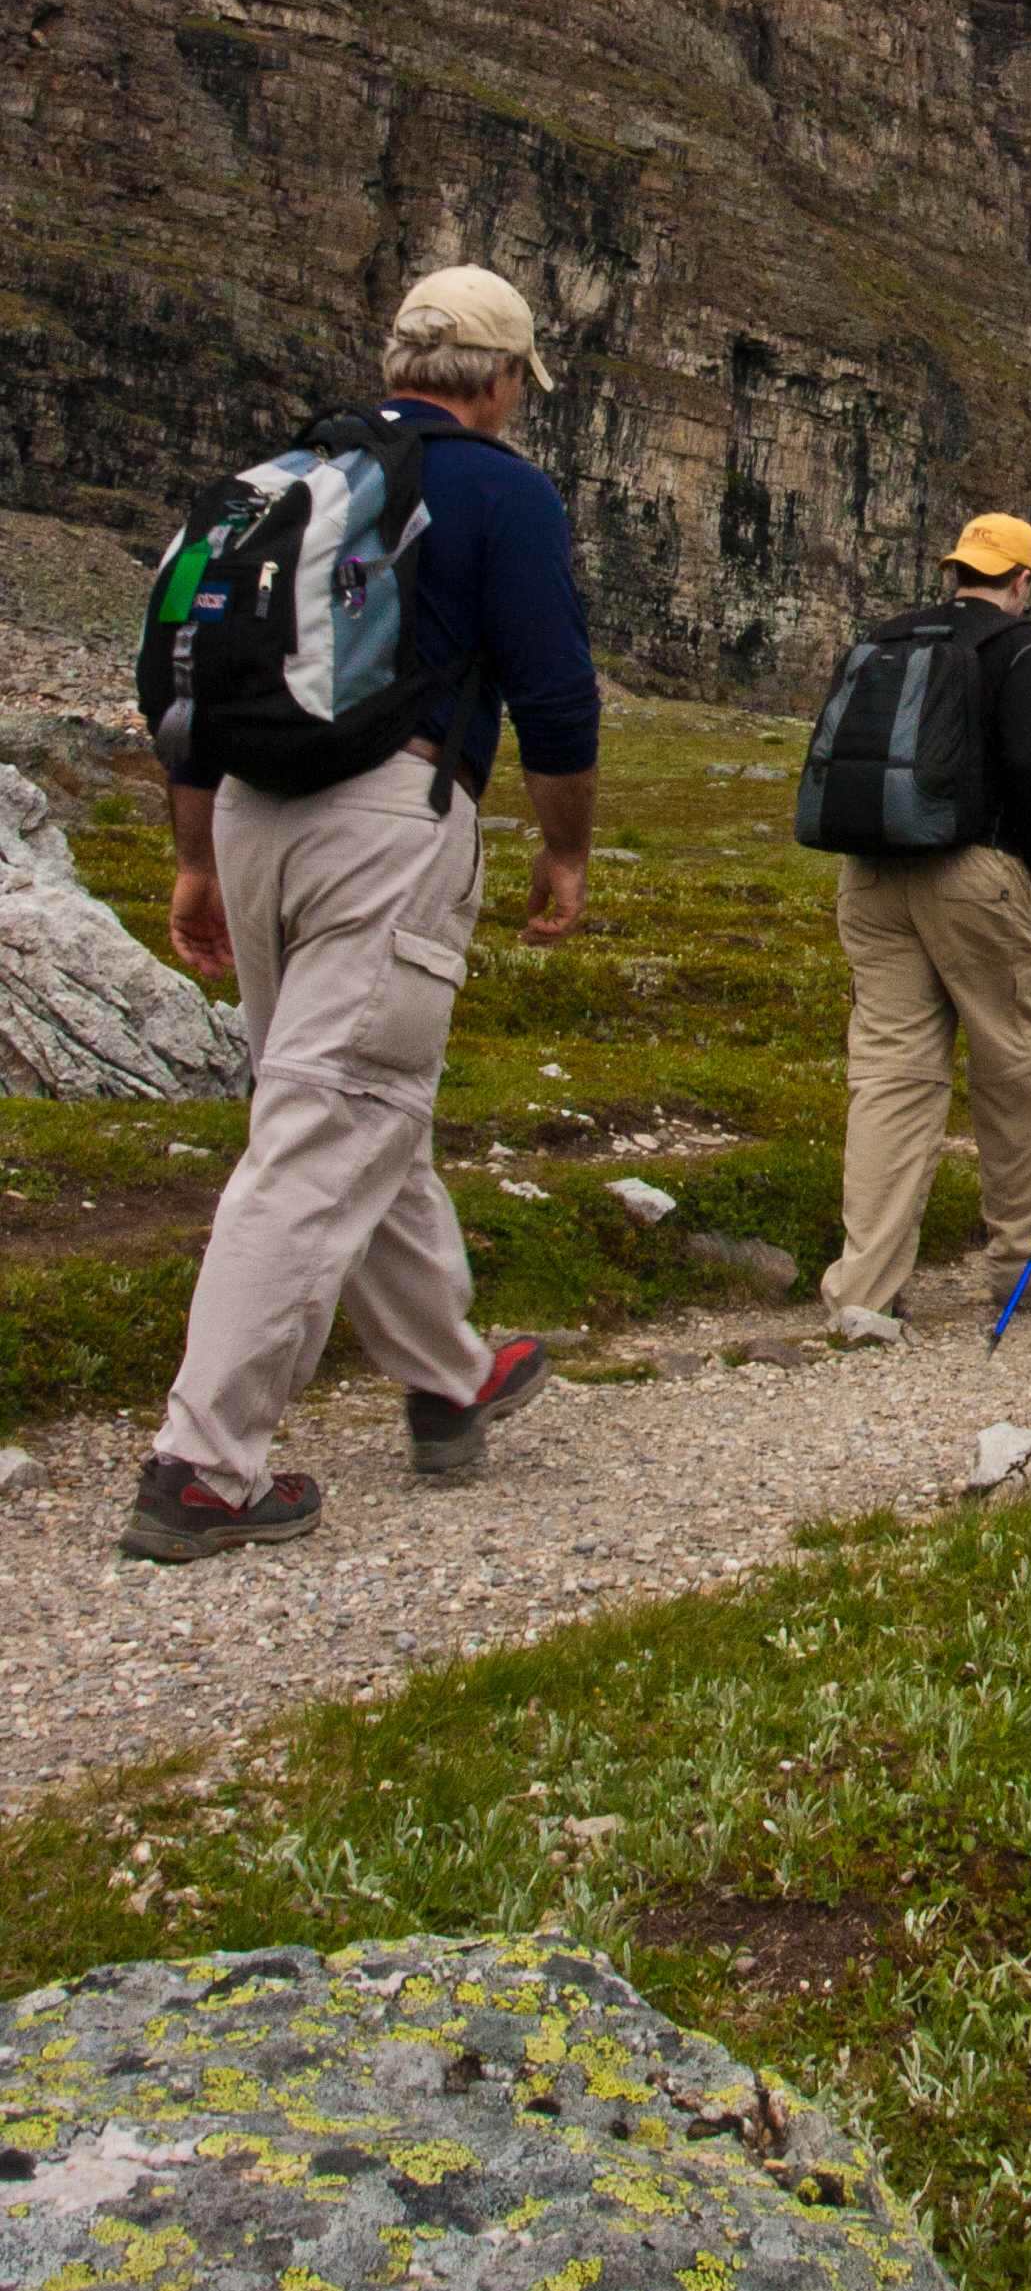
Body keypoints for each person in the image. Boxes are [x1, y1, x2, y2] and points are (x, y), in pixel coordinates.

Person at [126, 263, 598, 1561]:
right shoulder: (501, 489)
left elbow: (194, 688)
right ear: (501, 382)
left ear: (398, 362)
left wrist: (199, 859)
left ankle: (449, 1376)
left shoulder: (287, 482)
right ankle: (203, 1468)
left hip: (251, 816)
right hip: (388, 822)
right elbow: (555, 691)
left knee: (342, 1093)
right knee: (334, 1117)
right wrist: (564, 854)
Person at [821, 513, 1031, 1328]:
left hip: (870, 871)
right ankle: (1023, 1265)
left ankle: (864, 1289)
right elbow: (1023, 761)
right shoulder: (1024, 646)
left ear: (958, 570)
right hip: (971, 872)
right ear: (1022, 581)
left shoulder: (892, 636)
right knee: (1012, 1067)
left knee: (891, 1078)